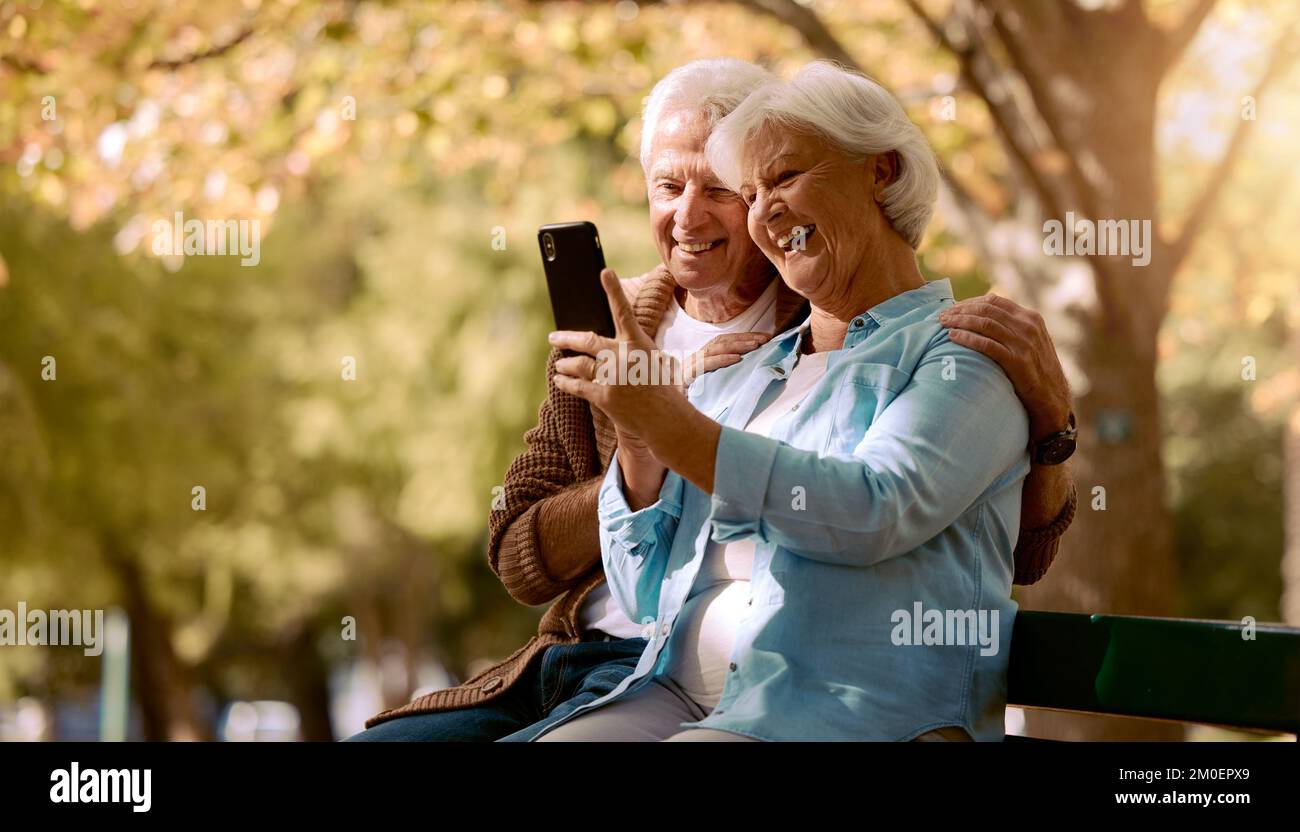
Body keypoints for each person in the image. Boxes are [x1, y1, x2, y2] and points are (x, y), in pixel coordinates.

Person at [349, 59, 1075, 743]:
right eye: (672, 187)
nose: (700, 216)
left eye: (740, 186)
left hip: (791, 694)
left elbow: (953, 530)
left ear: (878, 172)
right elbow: (534, 558)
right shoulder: (670, 343)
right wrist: (641, 440)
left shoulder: (916, 340)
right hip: (614, 667)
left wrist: (1052, 431)